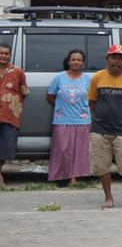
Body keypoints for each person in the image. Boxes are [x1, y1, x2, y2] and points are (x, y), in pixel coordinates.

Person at [88, 45, 122, 208]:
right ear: (107, 59)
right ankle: (108, 197)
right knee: (103, 166)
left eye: (121, 58)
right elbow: (92, 101)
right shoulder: (97, 77)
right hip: (100, 129)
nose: (117, 61)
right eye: (114, 57)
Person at [45, 49, 92, 184]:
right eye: (73, 59)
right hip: (62, 119)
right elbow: (50, 96)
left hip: (82, 120)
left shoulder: (88, 79)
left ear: (82, 63)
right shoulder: (59, 77)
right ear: (68, 61)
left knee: (79, 150)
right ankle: (61, 176)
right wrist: (61, 107)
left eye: (79, 60)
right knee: (62, 149)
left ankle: (75, 177)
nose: (76, 62)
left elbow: (92, 98)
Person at [0, 41, 28, 189]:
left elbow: (24, 92)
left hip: (10, 115)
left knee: (7, 146)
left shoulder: (18, 72)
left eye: (6, 53)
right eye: (1, 53)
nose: (3, 56)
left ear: (10, 55)